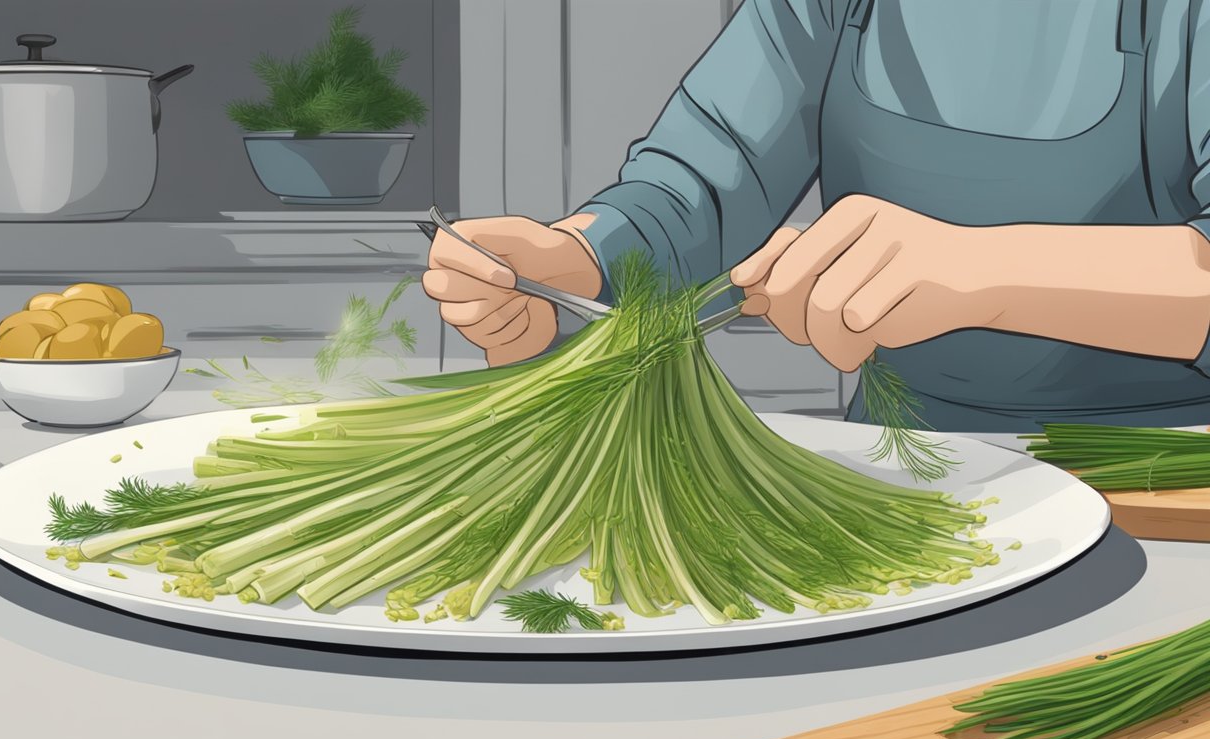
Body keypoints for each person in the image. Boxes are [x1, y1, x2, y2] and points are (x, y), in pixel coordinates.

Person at [423, 0, 1210, 433]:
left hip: (1165, 488)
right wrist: (572, 258)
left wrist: (983, 272)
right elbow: (699, 182)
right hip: (905, 467)